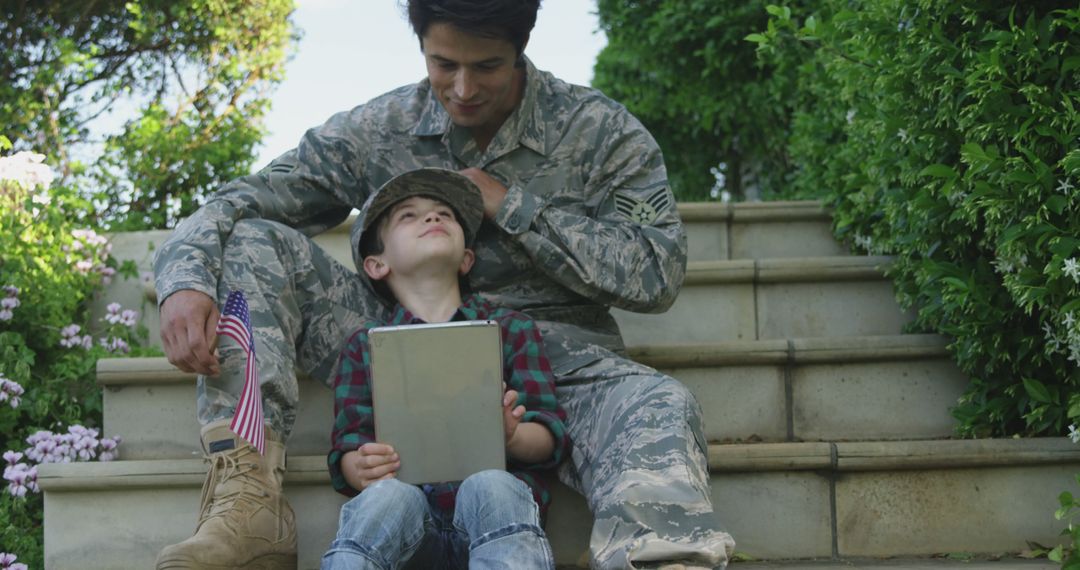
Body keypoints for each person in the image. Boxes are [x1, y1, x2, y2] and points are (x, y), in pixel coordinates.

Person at [153, 1, 736, 568]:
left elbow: (659, 271)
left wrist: (512, 206)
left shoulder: (601, 132)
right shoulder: (381, 129)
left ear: (520, 49)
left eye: (486, 67)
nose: (461, 88)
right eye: (442, 64)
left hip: (559, 362)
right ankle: (247, 506)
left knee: (660, 400)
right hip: (400, 344)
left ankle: (659, 559)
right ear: (423, 46)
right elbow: (243, 201)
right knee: (254, 240)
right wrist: (185, 279)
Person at [321, 167, 568, 569]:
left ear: (467, 258)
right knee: (387, 497)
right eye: (409, 216)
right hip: (408, 526)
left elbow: (549, 438)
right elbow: (349, 447)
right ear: (376, 264)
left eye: (443, 214)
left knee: (490, 483)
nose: (432, 218)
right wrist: (361, 467)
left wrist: (511, 435)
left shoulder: (512, 329)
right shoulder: (366, 345)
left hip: (493, 520)